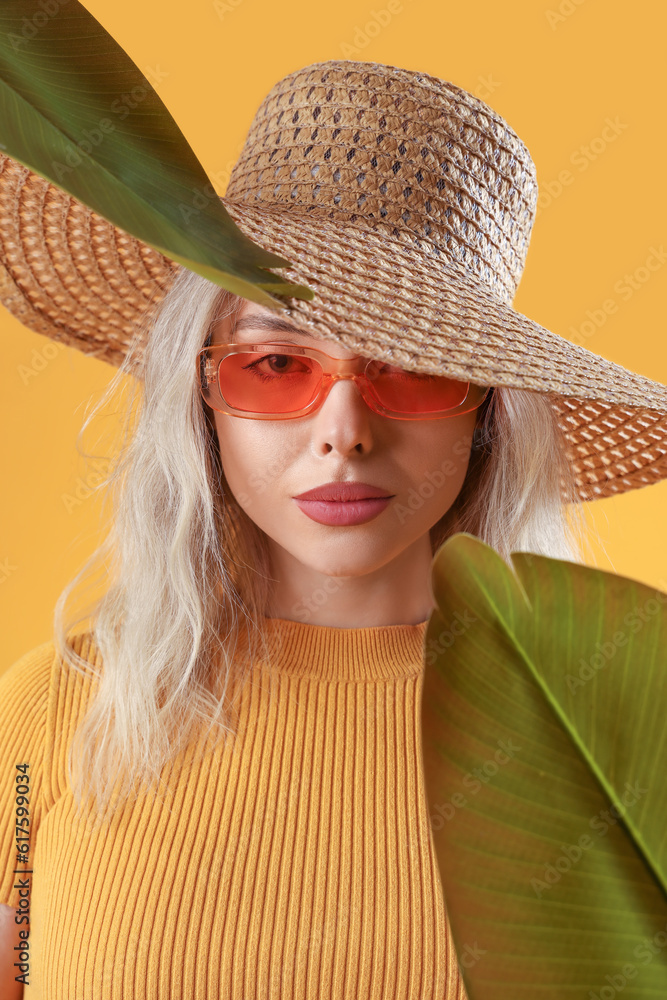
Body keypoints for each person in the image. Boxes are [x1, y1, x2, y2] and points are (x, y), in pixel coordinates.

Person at [1, 58, 666, 1000]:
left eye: (414, 367)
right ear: (202, 400)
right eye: (274, 363)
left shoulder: (618, 742)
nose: (344, 431)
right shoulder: (54, 715)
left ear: (486, 414)